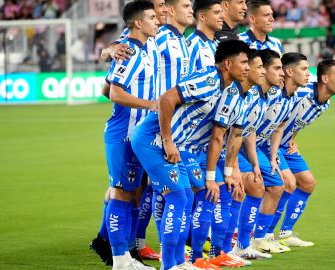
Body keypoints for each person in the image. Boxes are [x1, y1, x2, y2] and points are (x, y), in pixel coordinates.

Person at [130, 39, 252, 270]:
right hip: (152, 139)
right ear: (227, 63)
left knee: (186, 197)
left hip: (175, 143)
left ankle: (179, 261)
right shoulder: (208, 79)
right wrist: (168, 140)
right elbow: (167, 98)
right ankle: (169, 265)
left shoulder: (223, 87)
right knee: (178, 198)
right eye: (243, 62)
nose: (247, 67)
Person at [91, 0, 167, 265]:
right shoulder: (131, 50)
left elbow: (106, 88)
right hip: (124, 131)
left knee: (134, 192)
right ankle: (119, 257)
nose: (158, 18)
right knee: (122, 192)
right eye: (152, 16)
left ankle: (121, 251)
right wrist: (151, 104)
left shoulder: (148, 47)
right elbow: (113, 92)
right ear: (138, 23)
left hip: (140, 134)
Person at [182, 49, 265, 269]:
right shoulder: (230, 92)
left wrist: (230, 172)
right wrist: (218, 174)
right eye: (258, 66)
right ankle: (195, 258)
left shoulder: (247, 95)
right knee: (209, 195)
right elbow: (218, 135)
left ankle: (219, 253)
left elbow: (236, 136)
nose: (261, 71)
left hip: (204, 151)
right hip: (188, 148)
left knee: (226, 195)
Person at [237, 52, 310, 256]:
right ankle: (242, 242)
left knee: (280, 185)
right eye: (276, 69)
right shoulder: (268, 95)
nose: (307, 74)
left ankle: (260, 238)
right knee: (253, 186)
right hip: (241, 146)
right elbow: (247, 129)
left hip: (261, 147)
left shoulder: (290, 97)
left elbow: (278, 129)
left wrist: (272, 157)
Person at [270, 59, 335, 248]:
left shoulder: (324, 103)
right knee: (288, 183)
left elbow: (296, 122)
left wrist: (293, 138)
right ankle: (265, 235)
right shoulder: (300, 93)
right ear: (325, 78)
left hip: (286, 145)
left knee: (308, 183)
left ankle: (285, 233)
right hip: (271, 143)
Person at [231, 49, 285, 259]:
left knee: (260, 184)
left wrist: (255, 163)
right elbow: (229, 132)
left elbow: (250, 130)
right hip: (224, 149)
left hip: (241, 148)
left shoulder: (263, 97)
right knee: (246, 187)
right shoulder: (248, 95)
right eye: (261, 67)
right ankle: (231, 246)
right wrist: (233, 165)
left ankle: (244, 245)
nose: (263, 72)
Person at [187, 0, 223, 72]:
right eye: (216, 12)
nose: (222, 16)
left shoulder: (219, 44)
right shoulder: (191, 45)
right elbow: (186, 80)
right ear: (202, 16)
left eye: (221, 12)